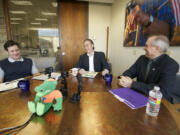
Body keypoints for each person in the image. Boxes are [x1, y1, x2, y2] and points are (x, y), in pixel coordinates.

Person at [119, 35, 179, 103]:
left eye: (146, 46)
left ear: (157, 48)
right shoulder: (142, 58)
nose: (144, 48)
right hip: (139, 96)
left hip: (159, 103)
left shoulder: (171, 65)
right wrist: (124, 78)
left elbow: (163, 91)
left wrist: (132, 84)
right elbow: (130, 72)